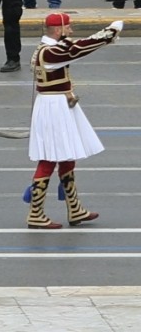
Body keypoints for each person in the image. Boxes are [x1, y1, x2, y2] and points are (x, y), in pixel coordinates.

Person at [24, 13, 124, 228]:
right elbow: (77, 50)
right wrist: (109, 33)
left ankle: (75, 208)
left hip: (58, 104)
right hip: (53, 107)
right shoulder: (51, 52)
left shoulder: (50, 48)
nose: (71, 30)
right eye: (68, 27)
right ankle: (35, 213)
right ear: (58, 30)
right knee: (49, 158)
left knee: (67, 155)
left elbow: (73, 48)